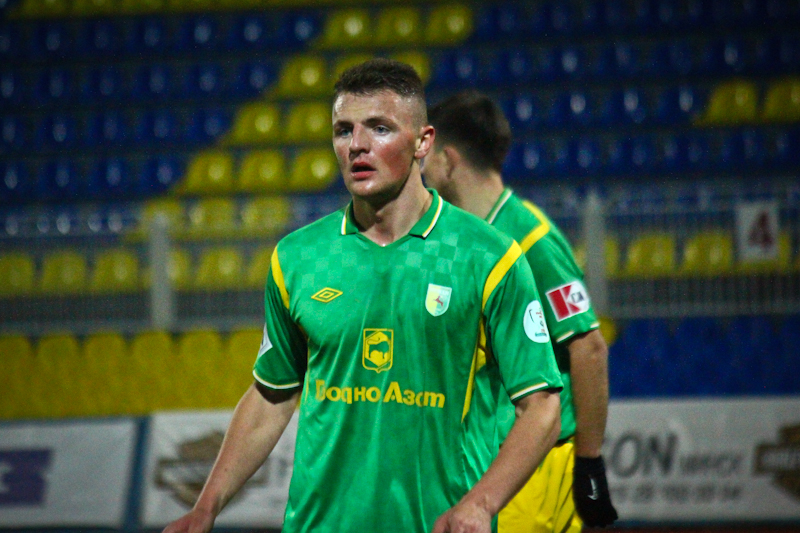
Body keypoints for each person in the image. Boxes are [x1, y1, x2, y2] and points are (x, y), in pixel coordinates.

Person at [163, 59, 564, 533]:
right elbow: (272, 395)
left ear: (423, 143)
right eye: (343, 130)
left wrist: (480, 505)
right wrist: (206, 507)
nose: (356, 144)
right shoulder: (298, 258)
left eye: (379, 128)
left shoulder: (489, 257)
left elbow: (542, 406)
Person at [423, 90, 618, 532]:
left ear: (449, 160)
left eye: (427, 157)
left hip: (532, 470)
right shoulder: (468, 236)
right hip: (493, 464)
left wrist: (589, 463)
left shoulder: (531, 239)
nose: (421, 170)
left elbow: (589, 347)